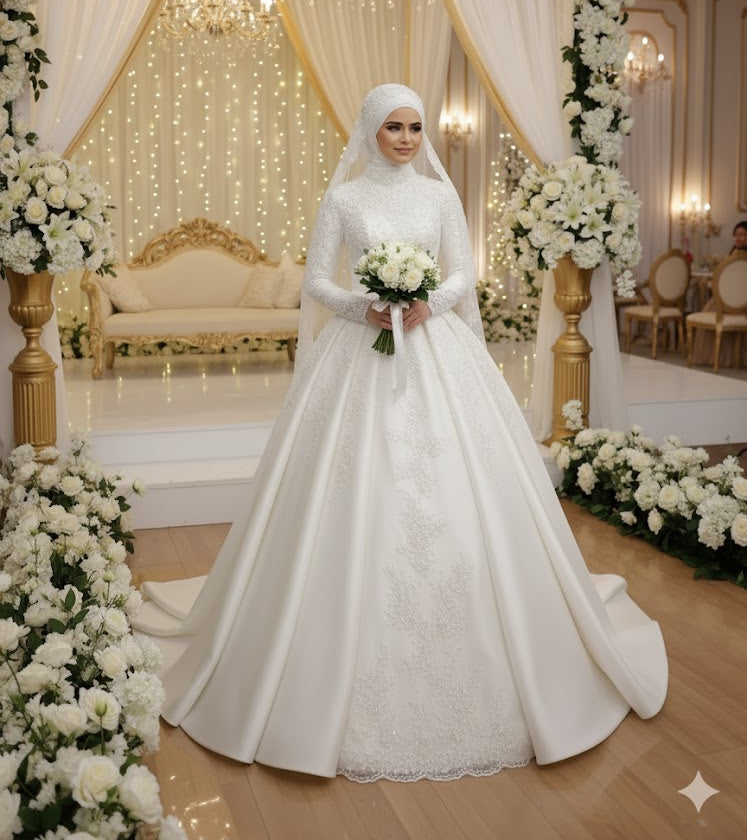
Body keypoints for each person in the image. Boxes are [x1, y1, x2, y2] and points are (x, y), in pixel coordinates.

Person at [134, 83, 667, 783]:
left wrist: (425, 301)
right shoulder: (346, 199)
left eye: (416, 127)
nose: (408, 138)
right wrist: (365, 304)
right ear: (370, 130)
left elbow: (461, 272)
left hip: (435, 348)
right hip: (358, 352)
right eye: (394, 127)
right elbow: (317, 284)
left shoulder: (438, 196)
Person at [691, 220, 747, 367]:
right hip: (728, 298)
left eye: (743, 235)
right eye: (737, 235)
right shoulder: (732, 253)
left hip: (738, 301)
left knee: (710, 310)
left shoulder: (737, 257)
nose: (739, 238)